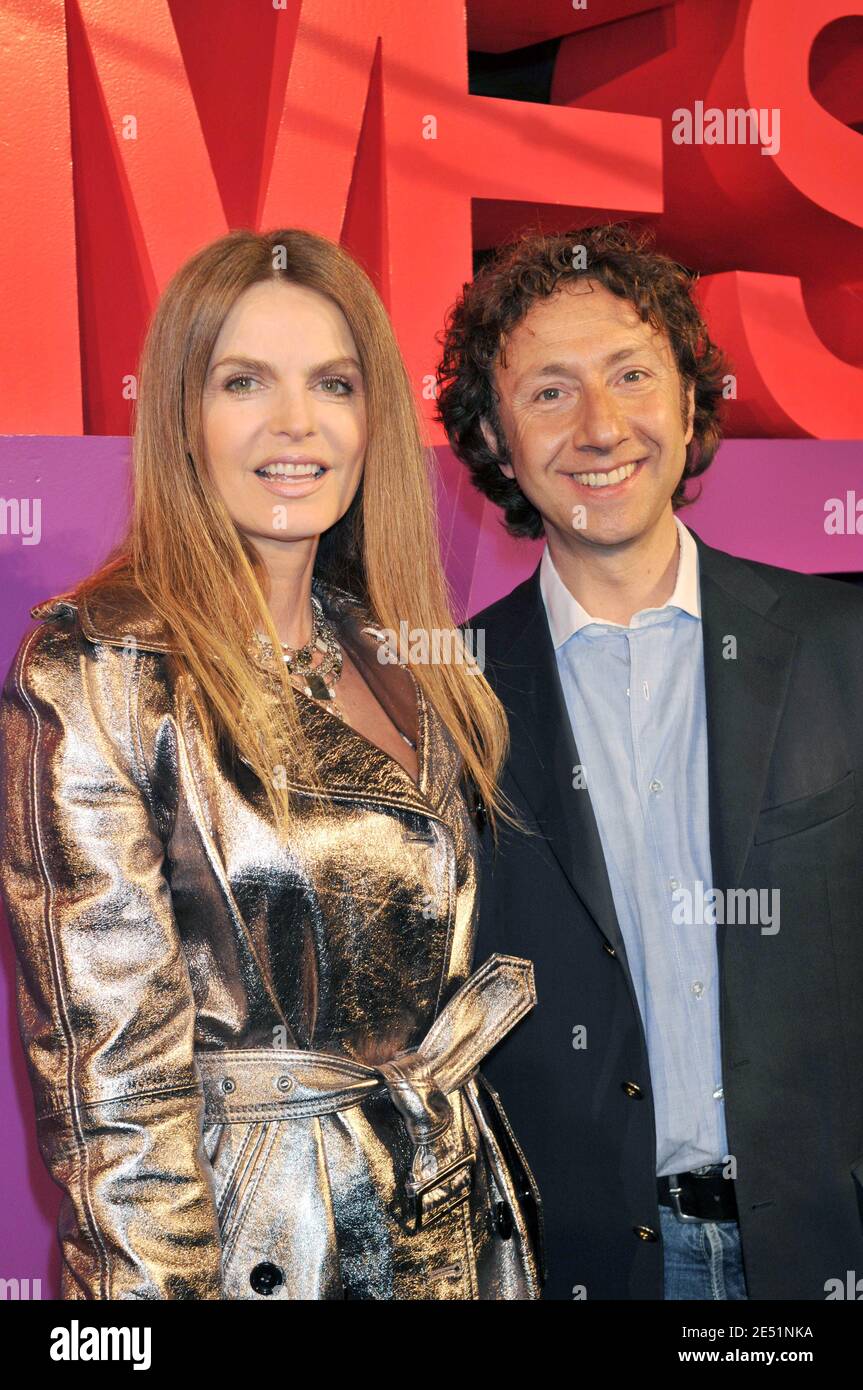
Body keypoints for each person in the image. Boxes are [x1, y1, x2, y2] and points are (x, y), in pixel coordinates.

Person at [0, 227, 545, 1300]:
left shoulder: (398, 658)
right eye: (243, 380)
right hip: (258, 1243)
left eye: (332, 384)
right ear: (182, 420)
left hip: (444, 1220)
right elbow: (115, 1106)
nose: (295, 424)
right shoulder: (105, 661)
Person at [436, 221, 863, 1301]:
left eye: (630, 374)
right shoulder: (441, 696)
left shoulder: (837, 647)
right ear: (493, 435)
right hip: (579, 1267)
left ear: (685, 398)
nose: (598, 426)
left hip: (823, 1252)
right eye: (547, 392)